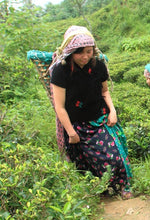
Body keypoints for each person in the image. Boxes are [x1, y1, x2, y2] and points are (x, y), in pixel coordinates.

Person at [50, 25, 132, 198]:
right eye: (80, 52)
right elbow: (60, 106)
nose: (85, 56)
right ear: (71, 51)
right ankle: (100, 191)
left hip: (98, 119)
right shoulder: (60, 70)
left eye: (89, 51)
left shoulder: (98, 65)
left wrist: (112, 111)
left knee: (114, 157)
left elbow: (105, 92)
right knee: (84, 162)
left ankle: (123, 186)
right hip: (75, 125)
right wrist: (71, 133)